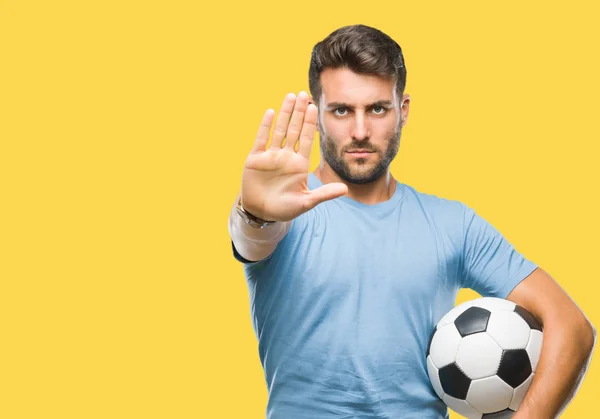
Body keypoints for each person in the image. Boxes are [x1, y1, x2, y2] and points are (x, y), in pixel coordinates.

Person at [227, 24, 595, 419]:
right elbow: (252, 240)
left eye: (377, 109)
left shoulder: (453, 225)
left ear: (402, 111)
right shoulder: (284, 211)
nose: (360, 131)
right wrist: (255, 214)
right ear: (317, 115)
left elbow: (571, 326)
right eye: (341, 110)